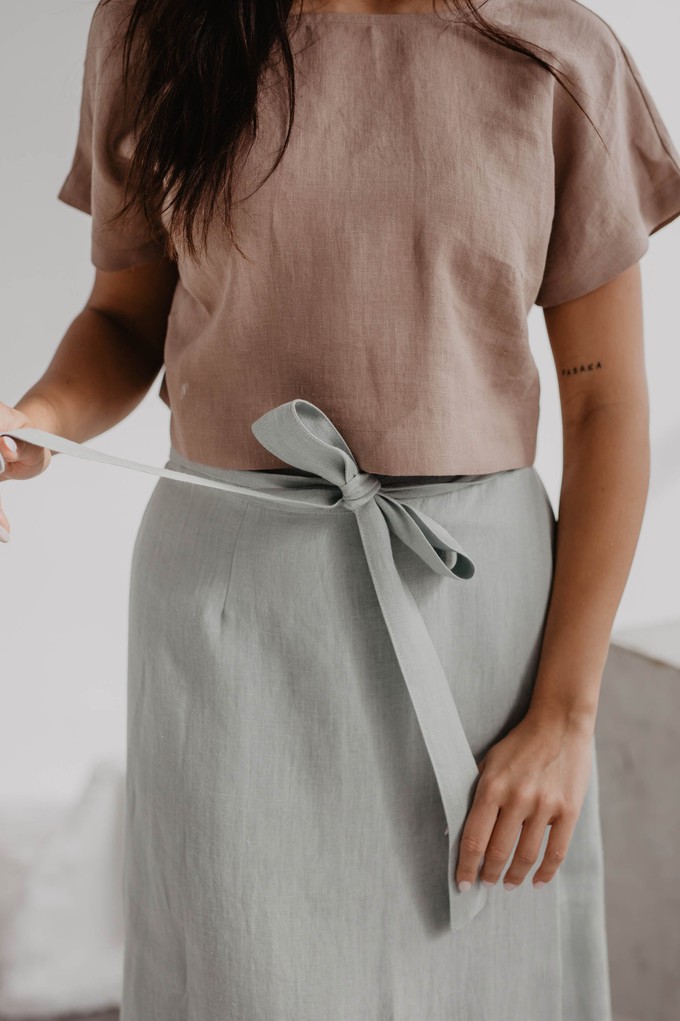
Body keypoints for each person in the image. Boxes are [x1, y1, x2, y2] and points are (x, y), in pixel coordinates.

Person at [2, 0, 680, 1017]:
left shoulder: (554, 52)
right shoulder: (153, 28)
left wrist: (562, 716)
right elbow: (120, 317)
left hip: (477, 625)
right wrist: (32, 419)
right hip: (228, 620)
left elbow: (606, 401)